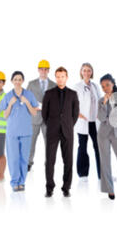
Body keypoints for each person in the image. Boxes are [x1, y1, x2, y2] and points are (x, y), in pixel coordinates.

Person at [42, 66, 79, 198]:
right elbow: (44, 114)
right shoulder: (49, 94)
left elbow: (75, 114)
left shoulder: (73, 94)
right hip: (52, 131)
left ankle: (66, 188)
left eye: (62, 76)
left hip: (67, 131)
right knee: (50, 160)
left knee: (68, 160)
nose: (60, 79)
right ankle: (49, 188)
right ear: (55, 77)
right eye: (58, 76)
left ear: (66, 77)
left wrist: (68, 124)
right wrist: (53, 124)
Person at [0, 71, 38, 192]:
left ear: (22, 81)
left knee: (24, 158)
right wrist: (10, 105)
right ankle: (14, 182)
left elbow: (34, 112)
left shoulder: (29, 95)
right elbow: (5, 115)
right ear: (11, 81)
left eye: (19, 79)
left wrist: (26, 102)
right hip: (12, 132)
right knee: (13, 158)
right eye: (15, 79)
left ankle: (22, 182)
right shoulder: (7, 96)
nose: (17, 81)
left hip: (26, 132)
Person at [26, 60, 57, 172]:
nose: (43, 71)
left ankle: (49, 162)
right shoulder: (31, 84)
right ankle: (28, 162)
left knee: (49, 142)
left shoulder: (54, 85)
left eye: (46, 69)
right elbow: (26, 100)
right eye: (41, 69)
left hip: (48, 119)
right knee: (31, 142)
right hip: (34, 118)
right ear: (38, 70)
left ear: (48, 70)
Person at [74, 63, 102, 181]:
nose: (86, 72)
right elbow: (72, 104)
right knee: (83, 147)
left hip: (94, 122)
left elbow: (100, 102)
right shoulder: (77, 87)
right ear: (81, 72)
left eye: (89, 70)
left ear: (91, 72)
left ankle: (102, 174)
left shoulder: (95, 86)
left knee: (99, 147)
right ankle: (83, 174)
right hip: (83, 121)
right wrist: (77, 114)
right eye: (84, 70)